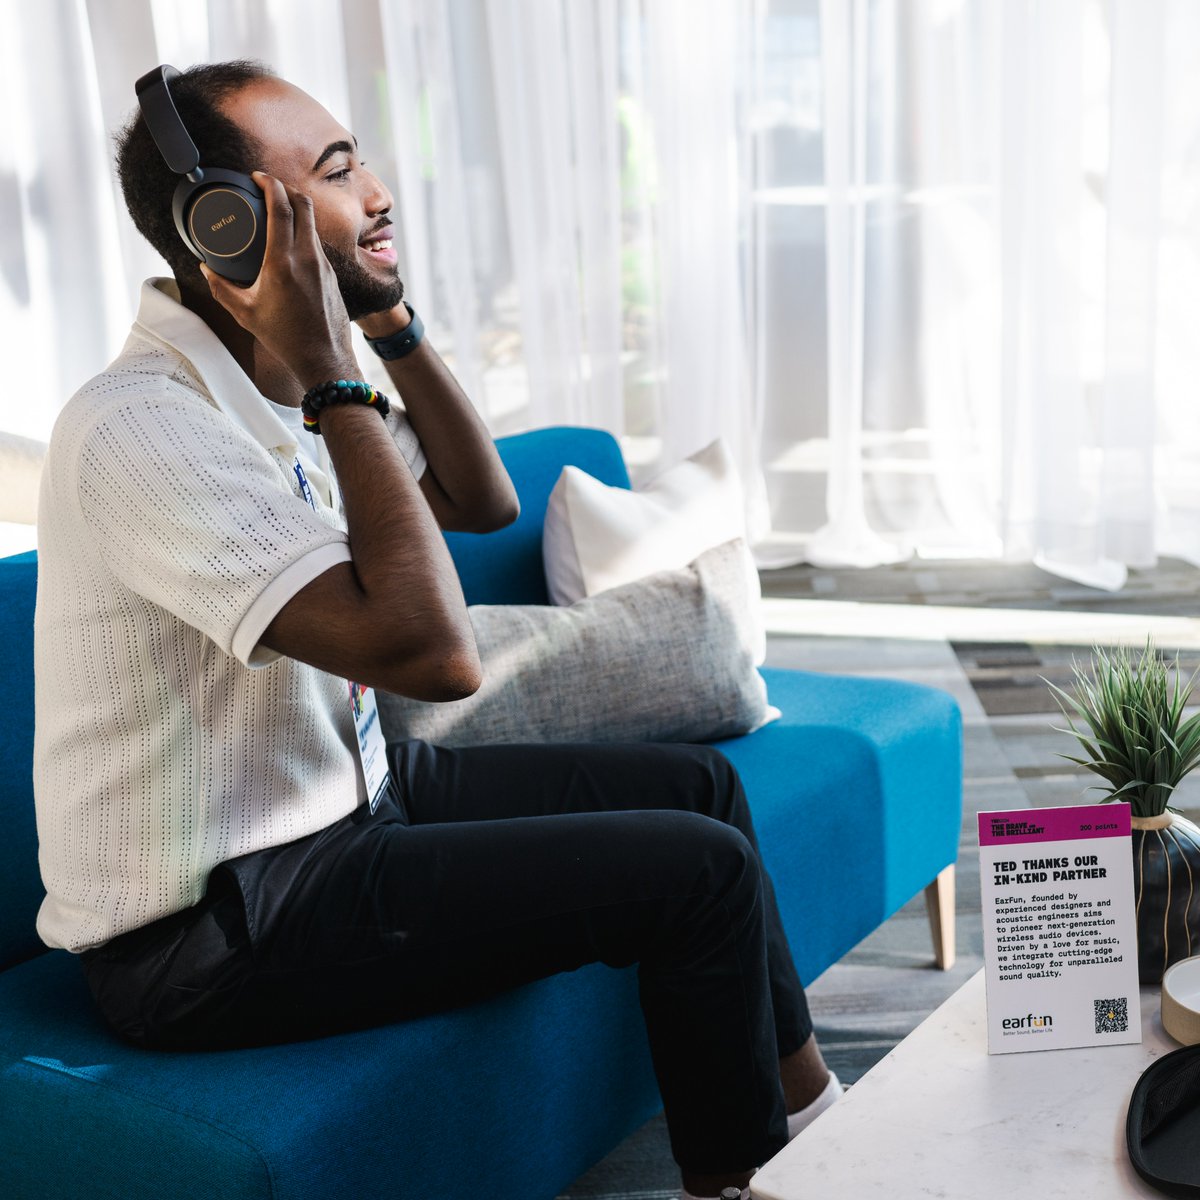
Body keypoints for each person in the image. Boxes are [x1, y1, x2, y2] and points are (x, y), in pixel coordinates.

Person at [32, 59, 841, 1200]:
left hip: (342, 808)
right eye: (336, 171)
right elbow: (434, 653)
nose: (377, 191)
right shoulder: (145, 432)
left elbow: (478, 500)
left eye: (356, 156)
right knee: (695, 873)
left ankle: (819, 1124)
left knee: (703, 792)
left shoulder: (276, 391)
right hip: (211, 930)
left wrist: (384, 325)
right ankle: (747, 1184)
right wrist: (331, 373)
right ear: (227, 227)